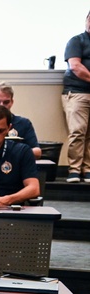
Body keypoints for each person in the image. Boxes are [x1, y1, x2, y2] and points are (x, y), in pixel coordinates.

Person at [63, 12, 90, 183]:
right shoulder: (77, 41)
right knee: (78, 131)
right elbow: (75, 66)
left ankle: (87, 170)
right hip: (78, 92)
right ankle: (74, 170)